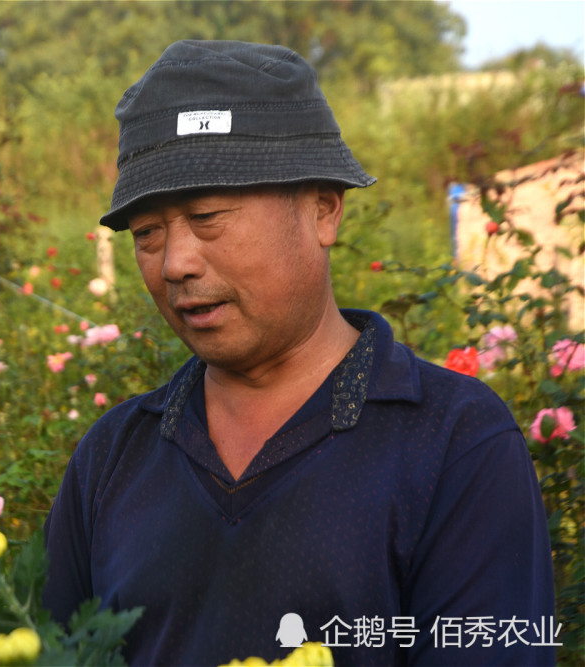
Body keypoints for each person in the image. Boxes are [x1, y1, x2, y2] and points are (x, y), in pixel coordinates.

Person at [41, 41, 556, 666]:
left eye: (207, 216)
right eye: (148, 233)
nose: (176, 262)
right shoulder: (112, 460)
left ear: (323, 210)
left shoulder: (456, 443)